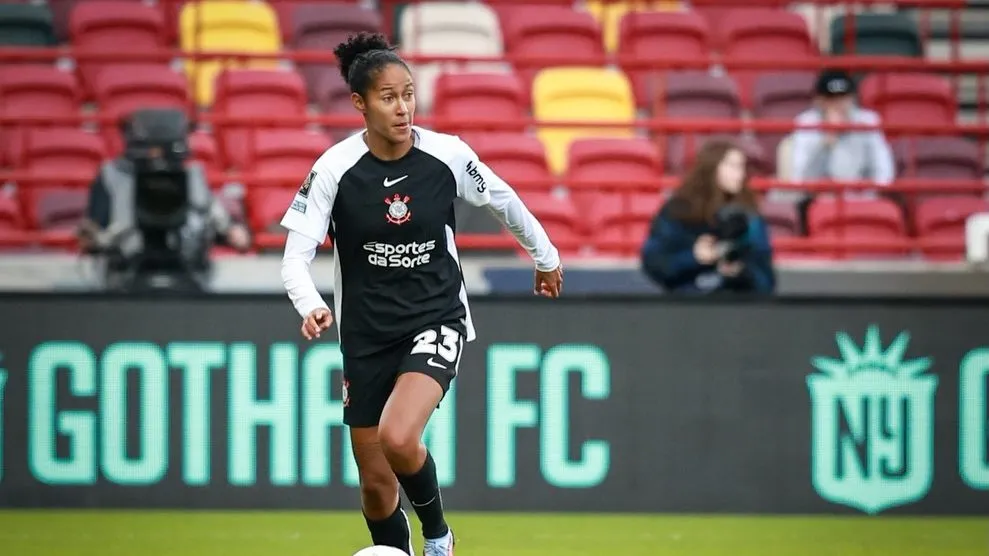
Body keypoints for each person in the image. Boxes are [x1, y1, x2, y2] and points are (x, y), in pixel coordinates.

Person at [279, 32, 563, 556]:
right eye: (388, 97)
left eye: (408, 93)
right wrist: (311, 304)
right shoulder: (334, 169)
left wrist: (546, 258)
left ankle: (438, 536)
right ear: (360, 104)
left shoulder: (447, 154)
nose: (403, 107)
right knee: (375, 488)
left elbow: (504, 200)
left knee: (399, 435)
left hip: (435, 318)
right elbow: (294, 257)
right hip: (365, 338)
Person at [640, 139, 776, 294]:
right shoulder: (677, 211)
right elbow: (655, 263)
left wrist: (741, 272)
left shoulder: (750, 217)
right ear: (711, 167)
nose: (740, 174)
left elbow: (766, 280)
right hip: (688, 306)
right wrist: (694, 257)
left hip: (738, 308)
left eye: (742, 167)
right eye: (733, 166)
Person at [791, 68, 895, 188]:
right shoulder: (806, 123)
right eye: (831, 99)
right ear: (819, 101)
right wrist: (826, 143)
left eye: (843, 98)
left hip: (862, 196)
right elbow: (801, 179)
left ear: (853, 98)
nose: (839, 104)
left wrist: (868, 193)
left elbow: (884, 171)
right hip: (820, 198)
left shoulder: (868, 121)